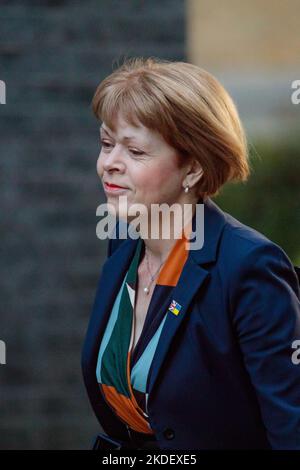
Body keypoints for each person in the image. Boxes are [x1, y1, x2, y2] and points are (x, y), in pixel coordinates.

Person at [81, 57, 300, 450]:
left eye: (134, 151)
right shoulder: (122, 243)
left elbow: (291, 427)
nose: (109, 164)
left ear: (194, 169)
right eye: (107, 144)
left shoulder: (249, 267)